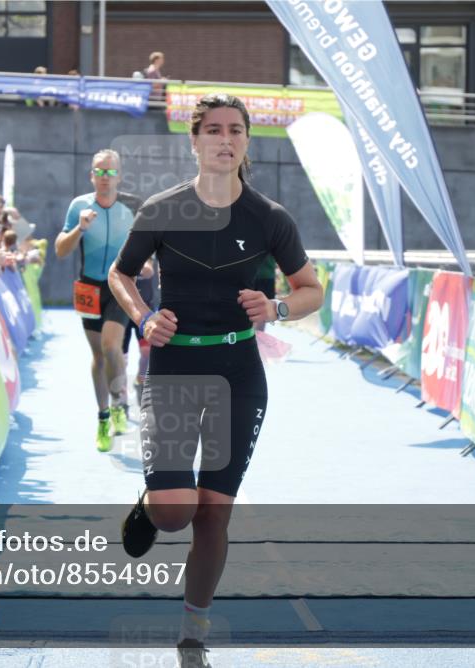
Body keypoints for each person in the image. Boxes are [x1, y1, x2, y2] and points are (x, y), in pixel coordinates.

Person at [107, 93, 324, 667]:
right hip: (174, 369)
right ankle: (151, 503)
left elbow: (311, 290)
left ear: (246, 141)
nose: (225, 140)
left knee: (213, 512)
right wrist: (144, 317)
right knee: (176, 510)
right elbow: (119, 274)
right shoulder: (162, 209)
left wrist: (277, 308)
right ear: (195, 140)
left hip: (238, 374)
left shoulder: (270, 217)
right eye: (214, 130)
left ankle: (192, 635)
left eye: (235, 130)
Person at [56, 149, 139, 452]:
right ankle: (103, 417)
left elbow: (147, 247)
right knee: (99, 356)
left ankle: (119, 405)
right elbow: (61, 250)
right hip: (89, 288)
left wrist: (145, 264)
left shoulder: (133, 206)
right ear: (92, 175)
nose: (105, 177)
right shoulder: (79, 206)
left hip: (120, 286)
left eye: (110, 171)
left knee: (111, 346)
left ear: (119, 176)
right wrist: (80, 228)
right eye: (100, 172)